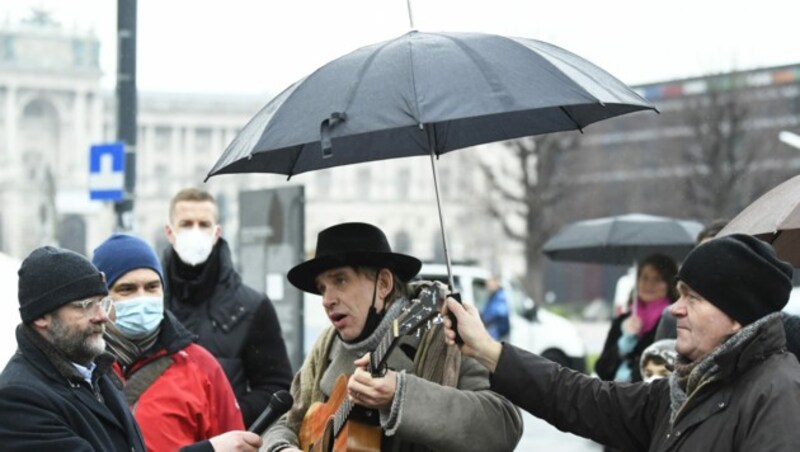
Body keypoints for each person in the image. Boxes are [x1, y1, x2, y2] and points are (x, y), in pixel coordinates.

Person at [445, 234, 800, 450]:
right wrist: (486, 349)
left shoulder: (777, 392)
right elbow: (583, 397)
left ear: (736, 315)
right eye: (678, 294)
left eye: (692, 297)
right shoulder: (686, 389)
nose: (675, 309)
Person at [263, 222, 522, 452]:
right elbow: (286, 421)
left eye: (340, 281)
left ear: (384, 284)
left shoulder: (445, 334)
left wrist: (400, 395)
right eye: (322, 289)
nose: (327, 300)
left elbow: (504, 425)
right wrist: (281, 448)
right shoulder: (325, 347)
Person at [0, 246, 262, 452]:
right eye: (84, 304)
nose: (101, 316)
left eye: (102, 302)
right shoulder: (18, 398)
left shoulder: (96, 373)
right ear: (40, 317)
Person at [93, 234, 245, 451]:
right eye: (127, 289)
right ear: (101, 299)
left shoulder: (201, 366)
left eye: (152, 286)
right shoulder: (82, 368)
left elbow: (235, 443)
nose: (142, 298)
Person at [163, 187, 292, 426]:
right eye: (186, 224)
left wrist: (223, 415)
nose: (195, 231)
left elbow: (276, 387)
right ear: (170, 232)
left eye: (203, 224)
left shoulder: (252, 306)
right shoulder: (150, 301)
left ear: (216, 233)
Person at [595, 253, 678, 382]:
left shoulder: (673, 322)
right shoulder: (622, 321)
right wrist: (622, 346)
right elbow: (601, 370)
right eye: (644, 277)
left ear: (669, 284)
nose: (649, 284)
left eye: (657, 279)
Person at [654, 218, 728, 341]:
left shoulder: (755, 321)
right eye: (702, 255)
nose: (707, 263)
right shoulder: (674, 318)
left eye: (716, 257)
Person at [480, 275, 510, 340]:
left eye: (490, 283)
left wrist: (485, 319)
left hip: (499, 333)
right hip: (492, 332)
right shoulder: (492, 296)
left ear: (496, 283)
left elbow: (499, 312)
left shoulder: (501, 296)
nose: (487, 286)